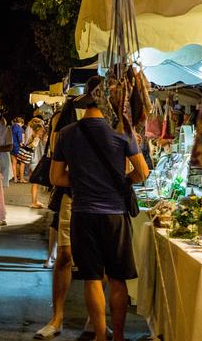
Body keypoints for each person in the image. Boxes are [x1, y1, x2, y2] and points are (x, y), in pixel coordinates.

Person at [49, 76, 149, 341]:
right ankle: (118, 337)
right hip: (115, 215)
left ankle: (100, 336)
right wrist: (121, 179)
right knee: (117, 278)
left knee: (92, 277)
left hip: (83, 214)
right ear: (110, 102)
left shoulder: (67, 133)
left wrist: (82, 178)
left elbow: (56, 178)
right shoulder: (122, 131)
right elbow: (142, 172)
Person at [34, 102, 77, 340]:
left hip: (88, 199)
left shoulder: (114, 131)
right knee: (66, 255)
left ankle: (96, 323)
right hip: (75, 197)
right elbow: (56, 175)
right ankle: (58, 318)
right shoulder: (66, 132)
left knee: (89, 261)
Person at [27, 119, 46, 209]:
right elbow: (32, 149)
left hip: (35, 162)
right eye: (42, 131)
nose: (43, 132)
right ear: (38, 131)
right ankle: (33, 202)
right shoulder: (35, 139)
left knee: (35, 183)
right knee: (35, 183)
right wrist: (38, 138)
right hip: (35, 162)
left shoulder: (34, 137)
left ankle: (35, 200)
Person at [11, 117, 24, 183]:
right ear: (21, 123)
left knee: (14, 163)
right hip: (18, 147)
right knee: (22, 162)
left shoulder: (12, 127)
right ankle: (21, 178)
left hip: (12, 146)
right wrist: (23, 145)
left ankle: (15, 178)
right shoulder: (19, 128)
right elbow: (20, 140)